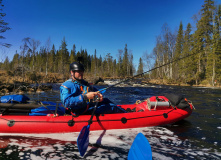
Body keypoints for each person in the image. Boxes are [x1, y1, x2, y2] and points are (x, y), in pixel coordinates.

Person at [60, 62, 127, 115]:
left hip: (86, 107)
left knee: (106, 100)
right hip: (79, 112)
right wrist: (85, 97)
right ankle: (127, 115)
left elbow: (94, 90)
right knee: (111, 107)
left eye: (82, 71)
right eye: (78, 71)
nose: (81, 73)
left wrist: (99, 94)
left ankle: (124, 111)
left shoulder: (83, 82)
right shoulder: (66, 86)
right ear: (72, 72)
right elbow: (66, 102)